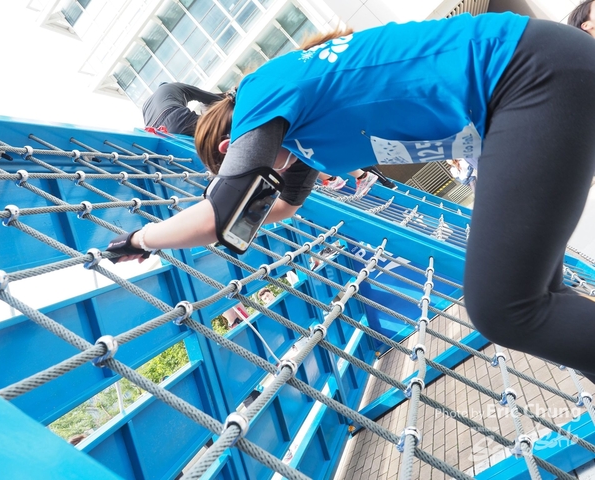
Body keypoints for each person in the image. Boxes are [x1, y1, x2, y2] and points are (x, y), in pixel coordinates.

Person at [108, 13, 595, 382]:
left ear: (228, 150)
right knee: (542, 295)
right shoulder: (303, 139)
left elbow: (219, 214)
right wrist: (241, 217)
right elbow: (284, 206)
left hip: (524, 75)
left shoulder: (260, 95)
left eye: (234, 169)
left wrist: (141, 238)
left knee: (503, 307)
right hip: (526, 85)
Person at [142, 82, 224, 136]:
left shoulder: (145, 105)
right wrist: (227, 103)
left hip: (158, 134)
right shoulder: (175, 86)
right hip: (175, 117)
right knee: (217, 129)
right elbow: (206, 96)